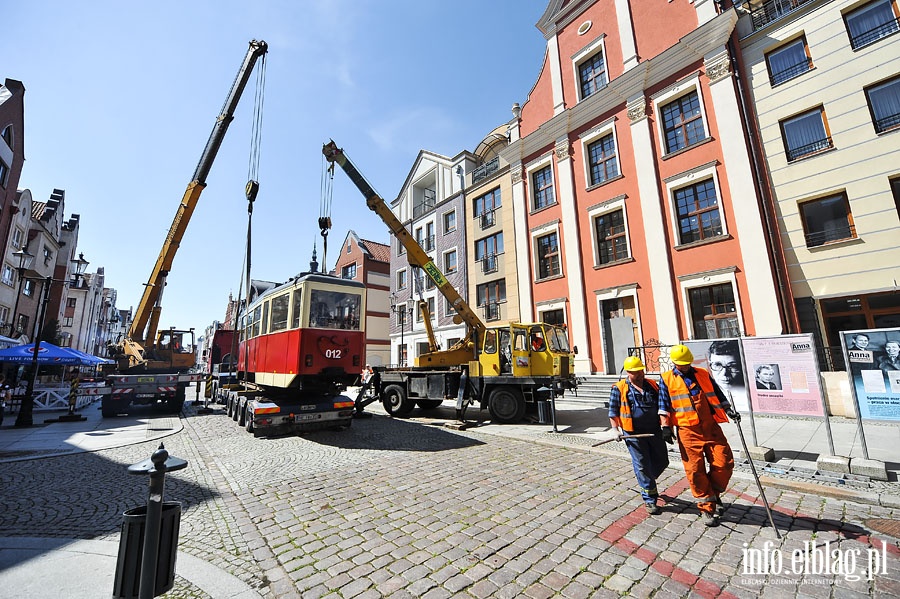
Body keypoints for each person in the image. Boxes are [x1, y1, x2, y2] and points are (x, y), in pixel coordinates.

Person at [660, 344, 740, 527]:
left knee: (724, 462)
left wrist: (729, 410)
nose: (685, 366)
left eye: (687, 363)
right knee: (695, 470)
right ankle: (707, 507)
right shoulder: (666, 379)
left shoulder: (702, 374)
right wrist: (665, 427)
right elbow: (663, 405)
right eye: (681, 364)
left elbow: (717, 394)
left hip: (710, 427)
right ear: (674, 363)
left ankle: (714, 494)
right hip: (687, 431)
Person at [608, 356, 672, 515]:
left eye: (641, 371)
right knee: (642, 464)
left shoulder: (652, 385)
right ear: (628, 372)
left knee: (662, 460)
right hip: (633, 434)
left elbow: (663, 404)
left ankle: (647, 479)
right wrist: (615, 429)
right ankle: (650, 499)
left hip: (654, 431)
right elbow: (613, 411)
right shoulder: (619, 388)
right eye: (635, 372)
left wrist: (666, 427)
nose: (639, 374)